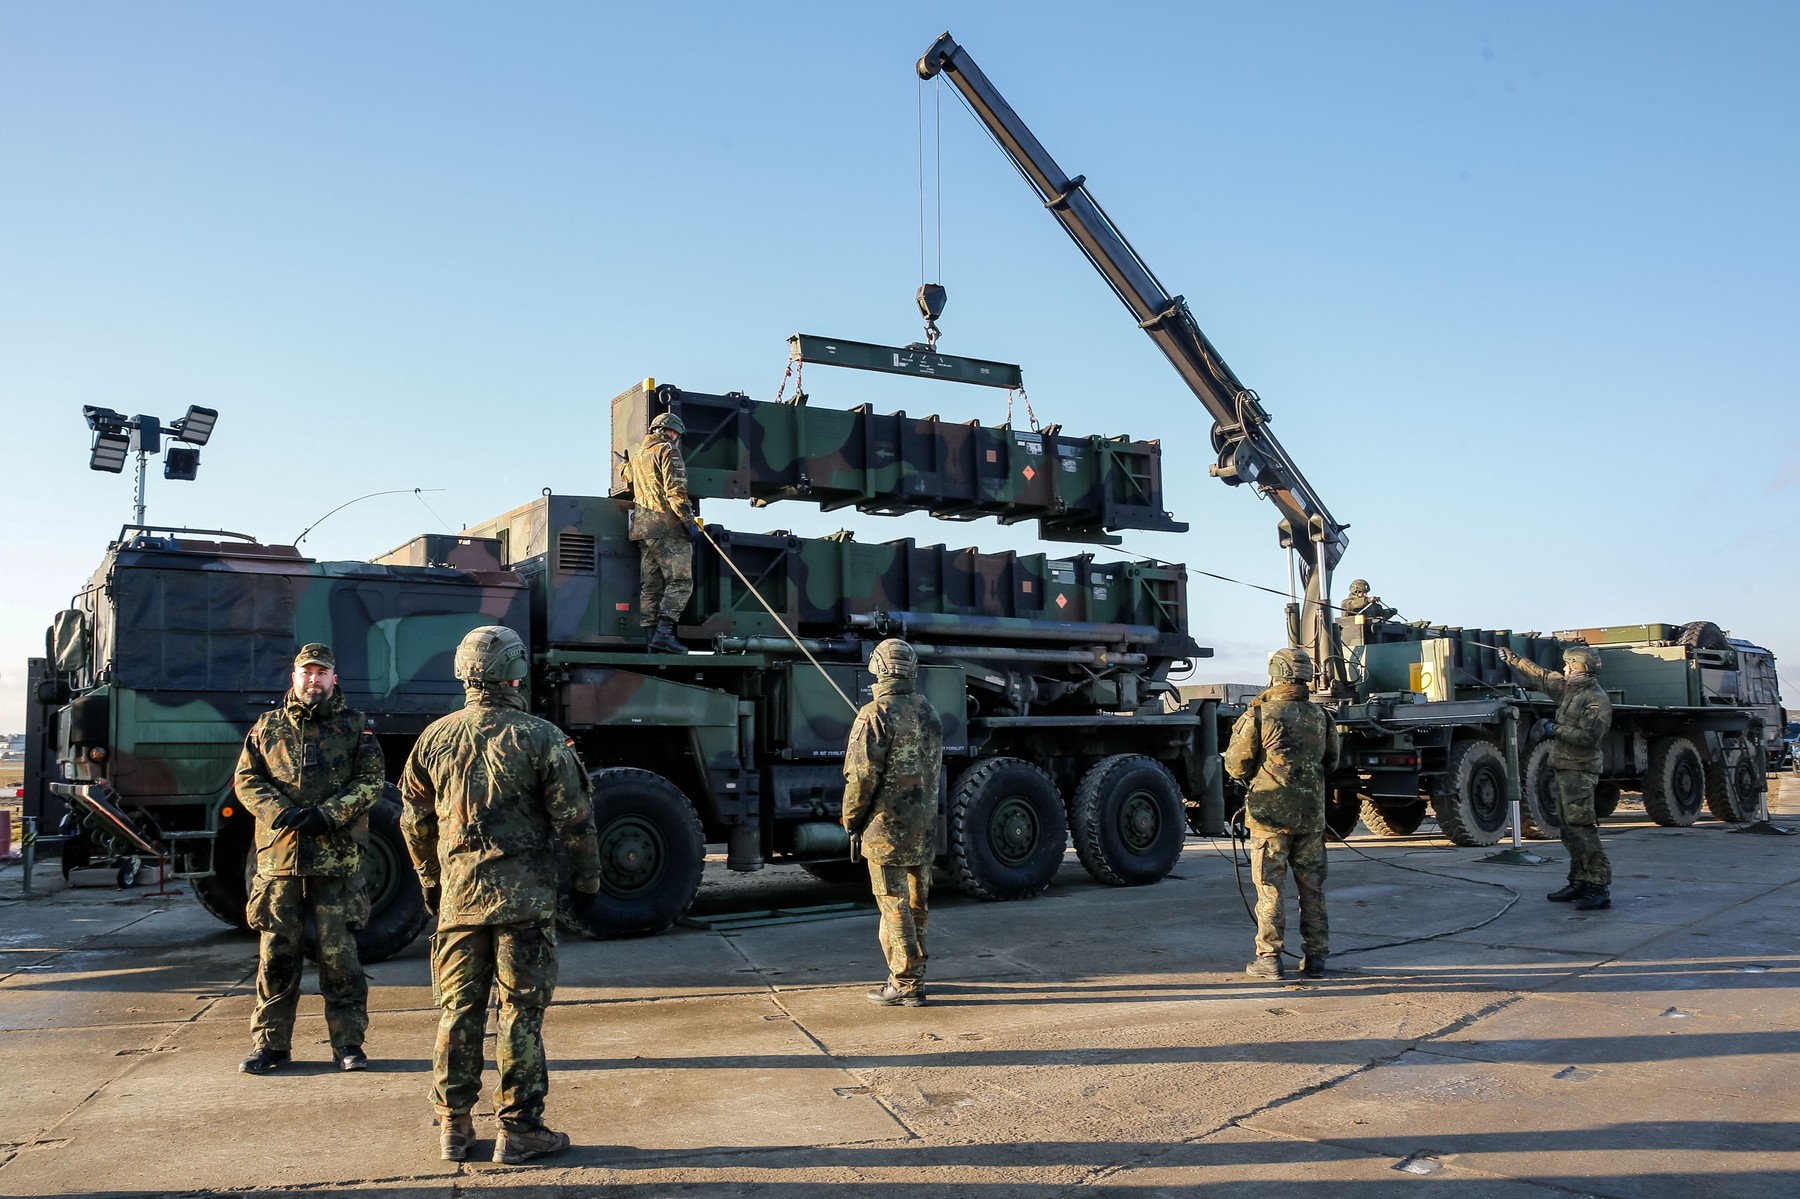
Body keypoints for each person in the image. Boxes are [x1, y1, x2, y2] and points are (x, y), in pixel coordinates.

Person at [400, 625, 603, 1164]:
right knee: (520, 1013)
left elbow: (414, 822)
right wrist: (587, 881)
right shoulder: (542, 737)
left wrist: (432, 881)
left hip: (459, 900)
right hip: (525, 903)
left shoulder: (434, 738)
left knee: (457, 1011)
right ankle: (519, 1130)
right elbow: (575, 820)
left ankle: (454, 1126)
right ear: (516, 672)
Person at [233, 642, 384, 1075]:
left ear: (334, 679)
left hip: (335, 861)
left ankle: (349, 1044)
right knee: (277, 955)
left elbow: (372, 781)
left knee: (340, 958)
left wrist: (329, 814)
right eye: (306, 672)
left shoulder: (356, 727)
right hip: (279, 862)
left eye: (322, 673)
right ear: (294, 677)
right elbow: (246, 780)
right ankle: (271, 1045)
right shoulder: (267, 727)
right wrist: (279, 812)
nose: (313, 680)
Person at [1224, 646, 1341, 981]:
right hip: (1311, 817)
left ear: (1275, 672)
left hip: (1269, 820)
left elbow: (1236, 764)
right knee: (1313, 888)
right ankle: (1316, 958)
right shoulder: (1323, 716)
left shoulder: (1259, 715)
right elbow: (1330, 763)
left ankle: (1269, 959)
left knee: (1270, 889)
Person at [841, 638, 943, 1007]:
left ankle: (904, 983)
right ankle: (915, 974)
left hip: (886, 830)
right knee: (917, 903)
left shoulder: (874, 713)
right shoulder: (927, 711)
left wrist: (851, 821)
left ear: (879, 669)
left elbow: (860, 779)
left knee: (893, 903)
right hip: (924, 827)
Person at [1499, 643, 1614, 910]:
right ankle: (1580, 881)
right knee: (1568, 829)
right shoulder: (1570, 690)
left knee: (1582, 829)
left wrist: (1554, 729)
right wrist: (1514, 660)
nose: (1563, 668)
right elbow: (1541, 676)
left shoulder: (1595, 699)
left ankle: (1598, 885)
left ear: (1577, 667)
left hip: (1580, 770)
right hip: (1565, 767)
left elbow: (1589, 737)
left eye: (1567, 664)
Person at [627, 410, 700, 653]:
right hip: (667, 527)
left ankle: (651, 639)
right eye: (676, 434)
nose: (677, 438)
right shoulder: (667, 450)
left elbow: (627, 474)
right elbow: (676, 491)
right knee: (680, 580)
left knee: (651, 585)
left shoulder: (639, 456)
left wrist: (620, 466)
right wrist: (689, 521)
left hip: (643, 529)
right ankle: (664, 634)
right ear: (668, 432)